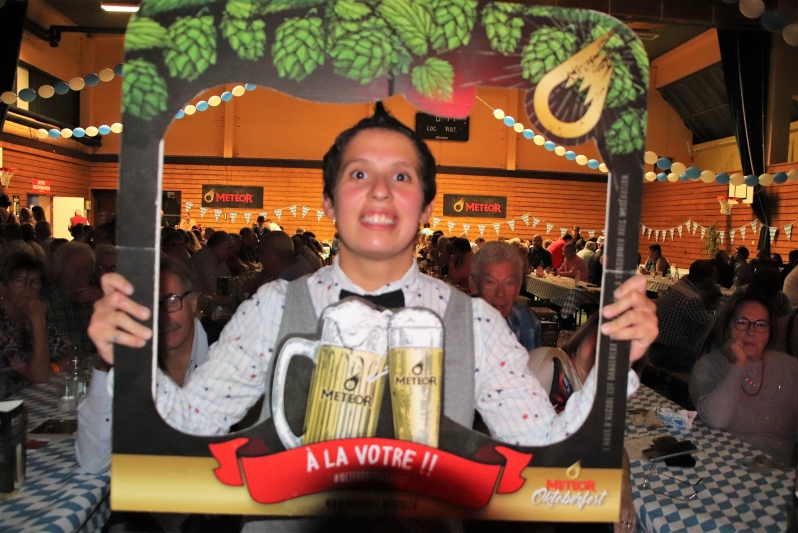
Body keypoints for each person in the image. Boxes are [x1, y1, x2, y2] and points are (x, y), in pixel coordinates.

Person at [88, 106, 657, 523]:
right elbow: (182, 431)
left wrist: (614, 363)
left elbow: (551, 453)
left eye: (401, 176)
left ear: (426, 207)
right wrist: (122, 362)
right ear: (329, 202)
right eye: (359, 174)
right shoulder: (273, 308)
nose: (381, 191)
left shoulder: (476, 324)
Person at [76, 258, 219, 474]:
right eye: (149, 305)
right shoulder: (134, 361)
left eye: (171, 301)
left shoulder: (228, 352)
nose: (162, 317)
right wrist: (104, 363)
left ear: (193, 302)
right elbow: (94, 461)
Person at [527, 314, 637, 532]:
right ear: (585, 336)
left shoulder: (592, 390)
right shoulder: (555, 365)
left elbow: (615, 446)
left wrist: (624, 486)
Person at [689, 294, 798, 464]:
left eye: (761, 324)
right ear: (727, 328)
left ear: (770, 333)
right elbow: (717, 419)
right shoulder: (708, 366)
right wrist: (738, 364)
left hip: (780, 469)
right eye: (741, 322)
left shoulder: (791, 367)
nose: (751, 332)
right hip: (724, 463)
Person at [0, 253, 74, 398]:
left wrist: (52, 369)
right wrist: (38, 321)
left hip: (25, 399)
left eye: (34, 282)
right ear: (2, 286)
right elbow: (39, 377)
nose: (28, 288)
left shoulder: (27, 319)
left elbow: (74, 354)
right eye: (19, 280)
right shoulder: (30, 318)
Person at [471, 241, 542, 351]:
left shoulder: (526, 321)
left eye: (509, 283)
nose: (500, 293)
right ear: (473, 284)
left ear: (518, 287)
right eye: (490, 282)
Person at [649, 260, 716, 373]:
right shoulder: (692, 298)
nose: (715, 281)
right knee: (712, 365)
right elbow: (710, 325)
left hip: (655, 349)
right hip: (669, 355)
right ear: (706, 279)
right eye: (714, 277)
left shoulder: (679, 286)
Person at [42, 241, 101, 359]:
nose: (80, 274)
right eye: (73, 268)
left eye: (85, 269)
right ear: (57, 269)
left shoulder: (94, 301)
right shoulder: (43, 304)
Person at [186, 230, 234, 296]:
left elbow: (229, 281)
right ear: (217, 246)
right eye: (229, 248)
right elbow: (212, 288)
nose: (231, 252)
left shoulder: (219, 259)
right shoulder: (204, 258)